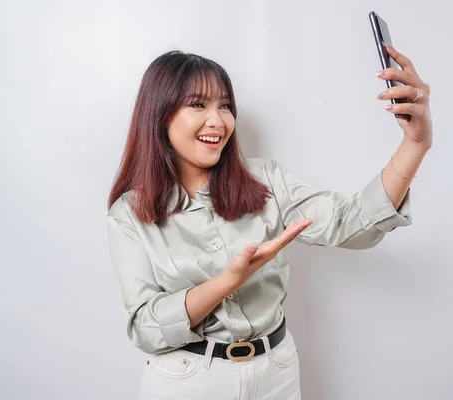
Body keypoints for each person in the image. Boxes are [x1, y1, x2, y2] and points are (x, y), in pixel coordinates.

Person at [106, 47, 432, 400]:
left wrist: (415, 145)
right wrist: (228, 281)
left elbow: (351, 224)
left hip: (276, 373)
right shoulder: (130, 213)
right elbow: (145, 328)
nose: (218, 121)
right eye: (198, 105)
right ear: (159, 115)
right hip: (188, 382)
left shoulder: (266, 180)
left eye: (226, 105)